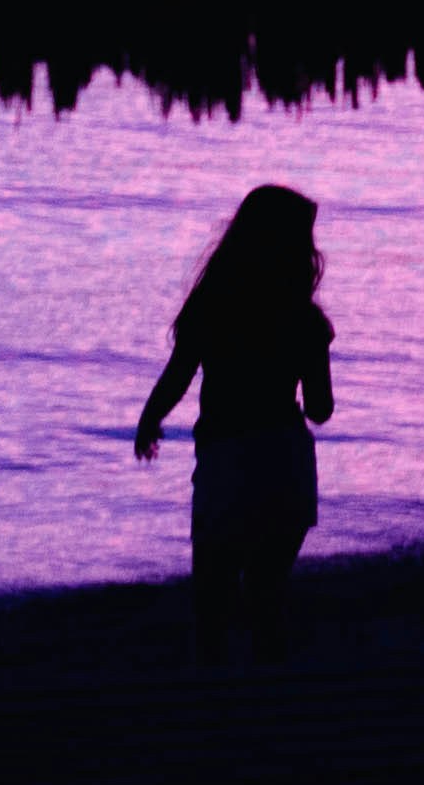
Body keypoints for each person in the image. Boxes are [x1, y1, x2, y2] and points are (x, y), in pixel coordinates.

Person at [136, 182, 335, 663]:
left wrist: (149, 419)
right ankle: (266, 714)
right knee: (268, 601)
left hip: (227, 458)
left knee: (213, 600)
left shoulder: (213, 306)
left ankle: (213, 711)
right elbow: (320, 409)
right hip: (285, 461)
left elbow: (178, 375)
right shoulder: (305, 320)